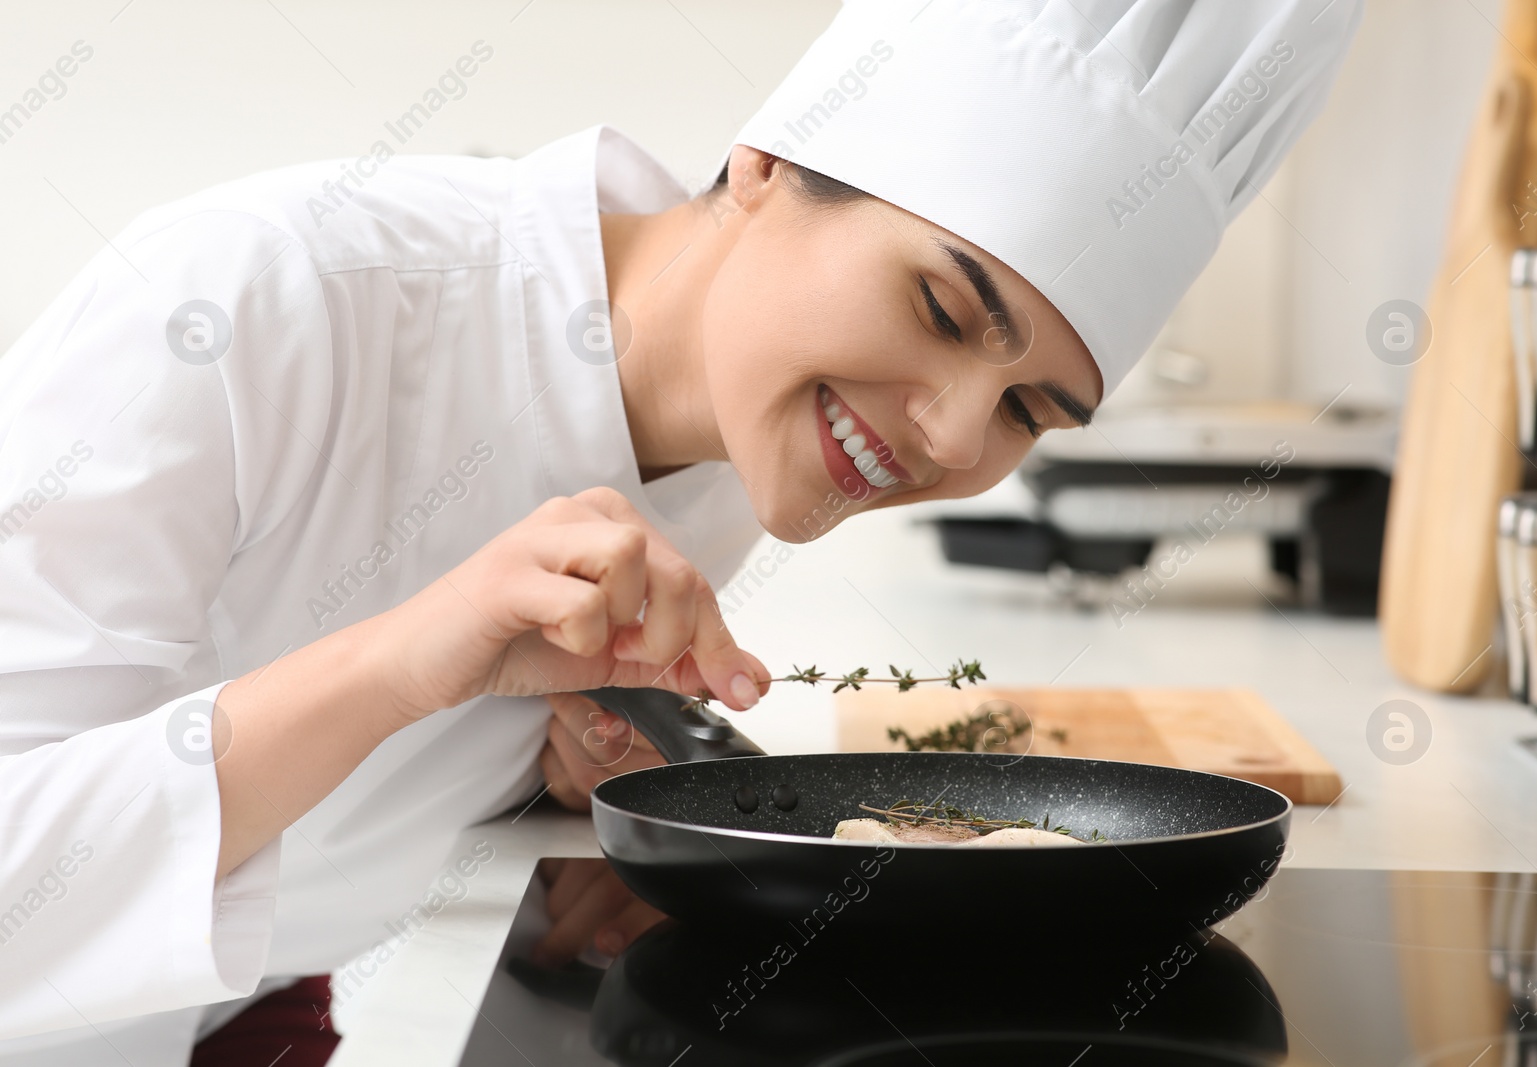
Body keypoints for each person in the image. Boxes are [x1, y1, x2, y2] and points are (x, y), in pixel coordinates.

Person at [0, 0, 1361, 1062]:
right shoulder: (254, 301)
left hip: (237, 1013)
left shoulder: (740, 425)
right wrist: (408, 661)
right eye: (946, 313)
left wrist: (546, 797)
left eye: (1028, 412)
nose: (954, 439)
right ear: (767, 162)